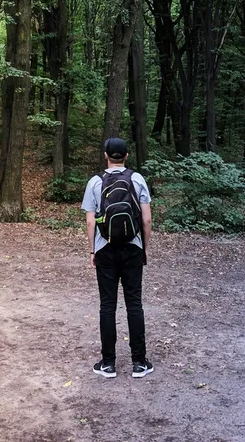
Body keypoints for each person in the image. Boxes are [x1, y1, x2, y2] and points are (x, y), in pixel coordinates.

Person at [82, 138, 153, 379]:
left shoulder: (95, 182)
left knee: (107, 304)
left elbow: (91, 221)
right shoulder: (137, 179)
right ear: (127, 155)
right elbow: (146, 220)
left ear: (105, 155)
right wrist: (144, 247)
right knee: (134, 303)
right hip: (133, 247)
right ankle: (140, 363)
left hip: (105, 249)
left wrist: (93, 250)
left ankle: (108, 363)